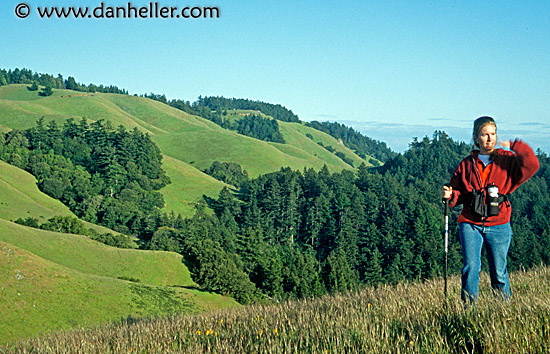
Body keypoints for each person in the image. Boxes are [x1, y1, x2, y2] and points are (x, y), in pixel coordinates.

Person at [442, 116, 539, 303]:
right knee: (470, 268)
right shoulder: (466, 164)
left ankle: (502, 313)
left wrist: (515, 145)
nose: (489, 139)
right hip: (470, 223)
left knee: (499, 272)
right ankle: (469, 313)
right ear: (476, 137)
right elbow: (457, 193)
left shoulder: (507, 159)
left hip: (499, 223)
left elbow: (532, 165)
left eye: (493, 134)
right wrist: (449, 195)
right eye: (484, 134)